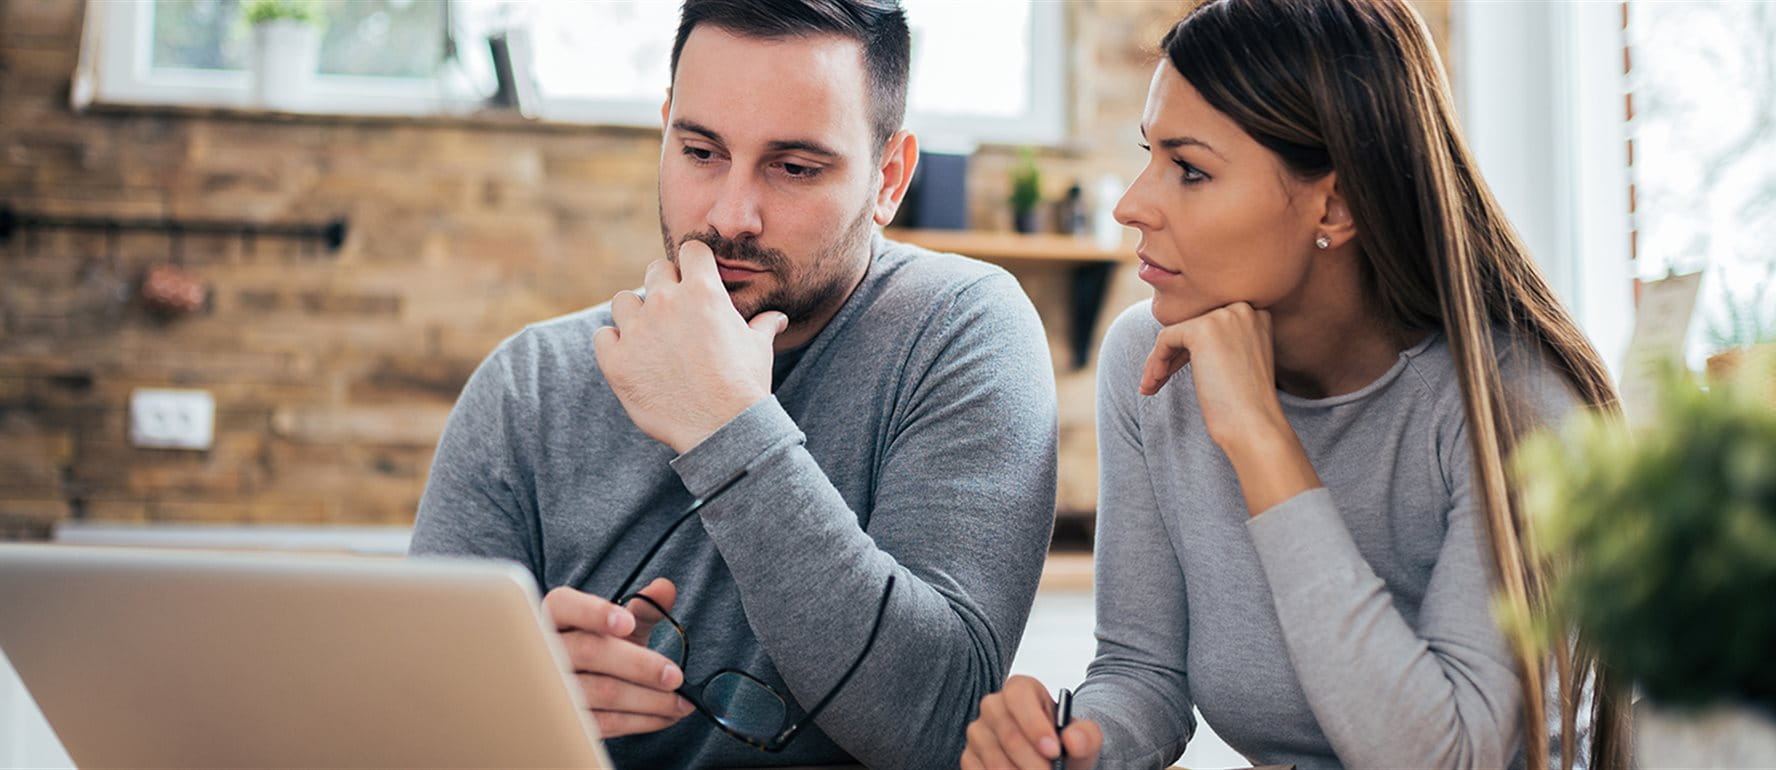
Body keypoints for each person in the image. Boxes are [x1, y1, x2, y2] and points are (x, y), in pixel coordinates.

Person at [960, 0, 1631, 768]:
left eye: (1189, 169)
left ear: (1335, 203)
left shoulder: (1515, 406)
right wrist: (1070, 747)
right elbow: (1143, 674)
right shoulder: (1148, 361)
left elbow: (1449, 759)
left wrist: (1258, 435)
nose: (1131, 204)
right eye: (1149, 155)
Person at [410, 1, 1058, 767]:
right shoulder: (532, 385)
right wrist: (501, 698)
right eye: (701, 151)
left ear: (889, 178)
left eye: (793, 167)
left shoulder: (959, 333)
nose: (730, 215)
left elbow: (935, 726)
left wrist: (725, 421)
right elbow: (411, 716)